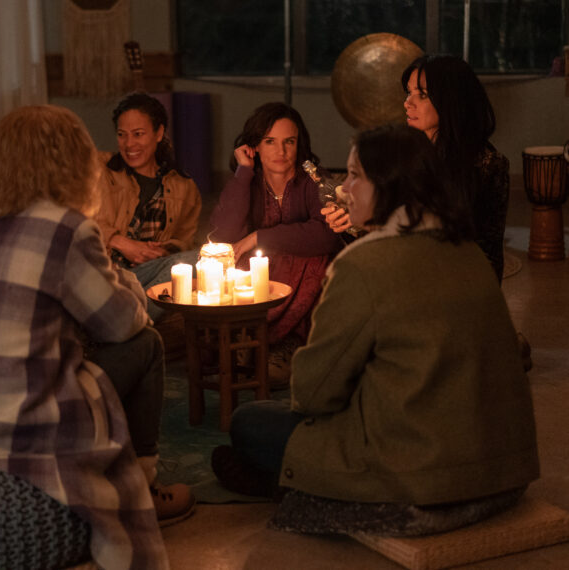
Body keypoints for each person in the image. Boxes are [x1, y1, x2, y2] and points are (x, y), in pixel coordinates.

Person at [212, 125, 539, 535]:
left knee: (250, 421)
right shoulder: (467, 250)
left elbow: (314, 393)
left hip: (422, 480)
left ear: (388, 185)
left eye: (354, 176)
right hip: (503, 471)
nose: (344, 190)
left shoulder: (364, 265)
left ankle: (296, 487)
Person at [0, 105, 193, 569]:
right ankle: (144, 483)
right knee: (146, 345)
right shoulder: (66, 228)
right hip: (22, 422)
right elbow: (122, 324)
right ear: (73, 163)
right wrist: (128, 281)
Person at [325, 54, 510, 282]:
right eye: (408, 93)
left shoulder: (485, 163)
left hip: (458, 281)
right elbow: (392, 234)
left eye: (421, 95)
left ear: (449, 99)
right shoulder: (408, 154)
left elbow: (445, 243)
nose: (407, 103)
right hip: (410, 271)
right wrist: (353, 220)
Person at [210, 102, 342, 350]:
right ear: (255, 146)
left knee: (313, 260)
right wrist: (243, 172)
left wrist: (259, 237)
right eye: (270, 141)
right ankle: (247, 341)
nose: (280, 150)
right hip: (261, 281)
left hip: (306, 283)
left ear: (298, 143)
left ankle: (290, 344)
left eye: (288, 141)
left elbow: (326, 234)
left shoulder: (314, 179)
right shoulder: (248, 181)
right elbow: (224, 234)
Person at [94, 91, 202, 319]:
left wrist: (162, 251)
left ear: (159, 133)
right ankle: (131, 322)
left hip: (146, 275)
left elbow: (185, 240)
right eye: (122, 135)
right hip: (101, 273)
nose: (129, 143)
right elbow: (73, 219)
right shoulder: (98, 168)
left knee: (195, 260)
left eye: (138, 134)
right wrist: (120, 242)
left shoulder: (184, 186)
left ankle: (123, 320)